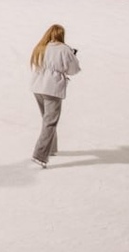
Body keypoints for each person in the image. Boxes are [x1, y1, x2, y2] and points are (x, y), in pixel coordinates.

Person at [29, 23, 81, 168]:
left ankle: (51, 148)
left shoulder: (41, 47)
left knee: (47, 120)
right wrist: (72, 56)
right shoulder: (64, 50)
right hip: (52, 88)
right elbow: (73, 70)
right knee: (50, 122)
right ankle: (40, 155)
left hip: (37, 87)